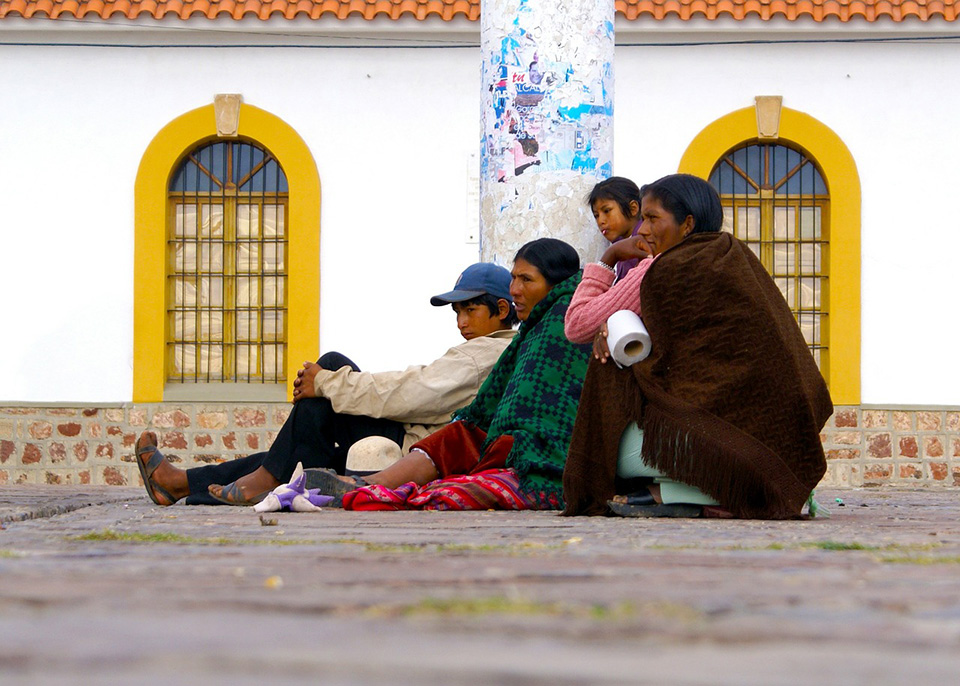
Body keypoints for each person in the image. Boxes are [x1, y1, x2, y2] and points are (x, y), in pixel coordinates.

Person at [135, 263, 519, 507]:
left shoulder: (484, 354)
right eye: (458, 312)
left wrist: (331, 382)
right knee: (302, 442)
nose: (461, 321)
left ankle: (236, 481)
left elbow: (414, 393)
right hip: (413, 438)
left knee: (330, 370)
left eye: (471, 309)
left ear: (502, 310)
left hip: (414, 450)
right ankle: (185, 484)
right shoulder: (484, 352)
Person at [562, 173, 833, 519]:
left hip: (719, 439)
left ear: (687, 224)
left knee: (606, 375)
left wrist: (609, 258)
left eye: (652, 218)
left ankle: (678, 489)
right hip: (776, 433)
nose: (641, 230)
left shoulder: (659, 268)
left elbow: (577, 324)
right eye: (642, 218)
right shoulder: (734, 255)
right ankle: (726, 487)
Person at [314, 238, 592, 512]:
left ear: (553, 285)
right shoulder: (531, 332)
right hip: (485, 436)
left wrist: (324, 382)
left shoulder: (558, 323)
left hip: (542, 446)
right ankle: (369, 483)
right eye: (513, 278)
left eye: (526, 280)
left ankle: (360, 483)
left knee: (330, 369)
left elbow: (415, 392)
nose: (515, 289)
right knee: (460, 433)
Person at [588, 176, 643, 281]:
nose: (601, 221)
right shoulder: (621, 244)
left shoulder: (641, 243)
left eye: (607, 211)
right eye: (596, 215)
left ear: (633, 208)